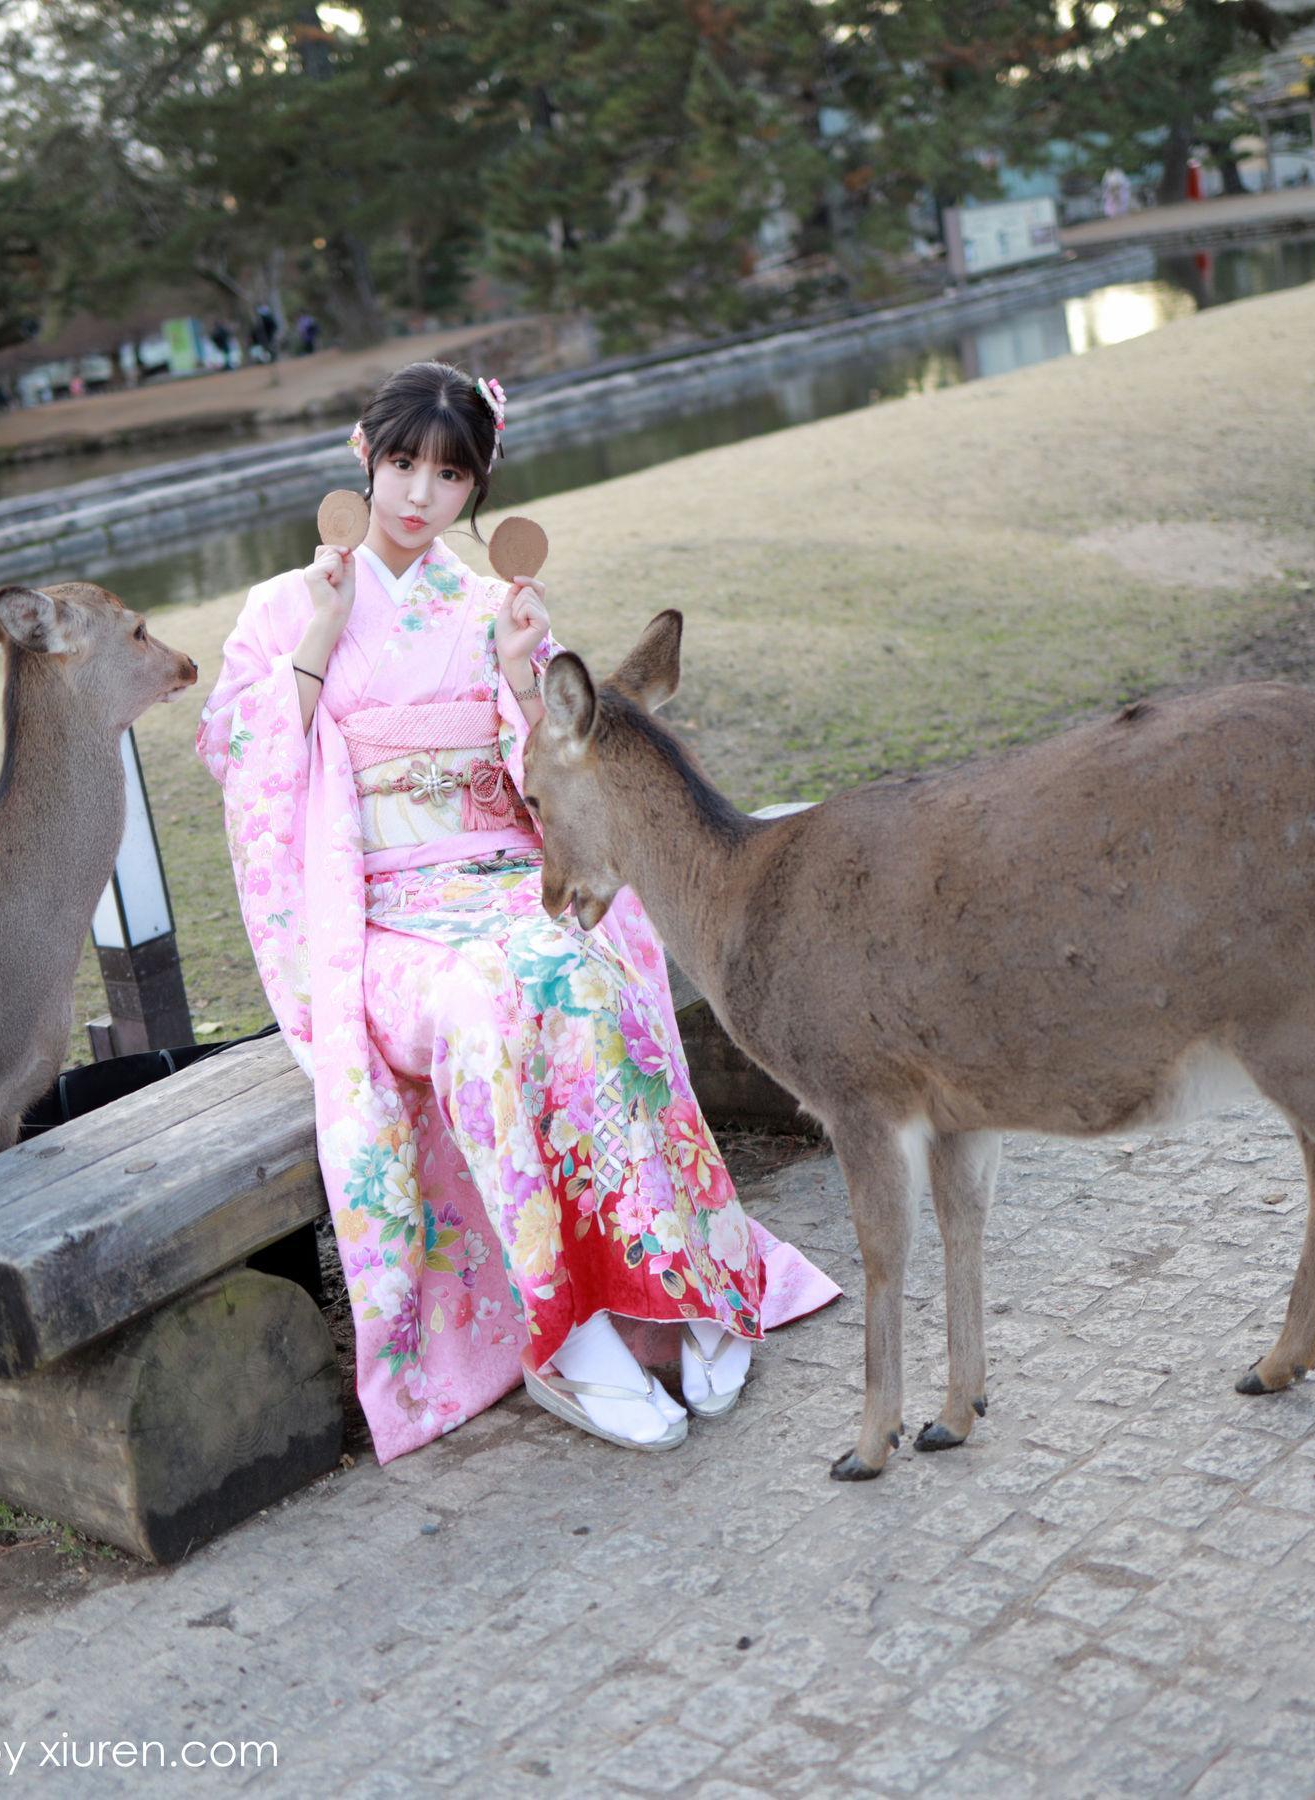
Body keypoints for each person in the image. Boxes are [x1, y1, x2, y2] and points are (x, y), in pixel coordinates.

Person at [196, 363, 838, 1460]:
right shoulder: (284, 607)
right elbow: (240, 765)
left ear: (475, 489)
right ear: (364, 454)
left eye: (448, 476)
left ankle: (667, 1284)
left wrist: (514, 675)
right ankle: (566, 1326)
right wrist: (320, 636)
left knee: (586, 981)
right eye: (401, 465)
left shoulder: (492, 608)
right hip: (386, 917)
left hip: (499, 876)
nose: (416, 497)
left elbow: (559, 774)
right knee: (489, 1008)